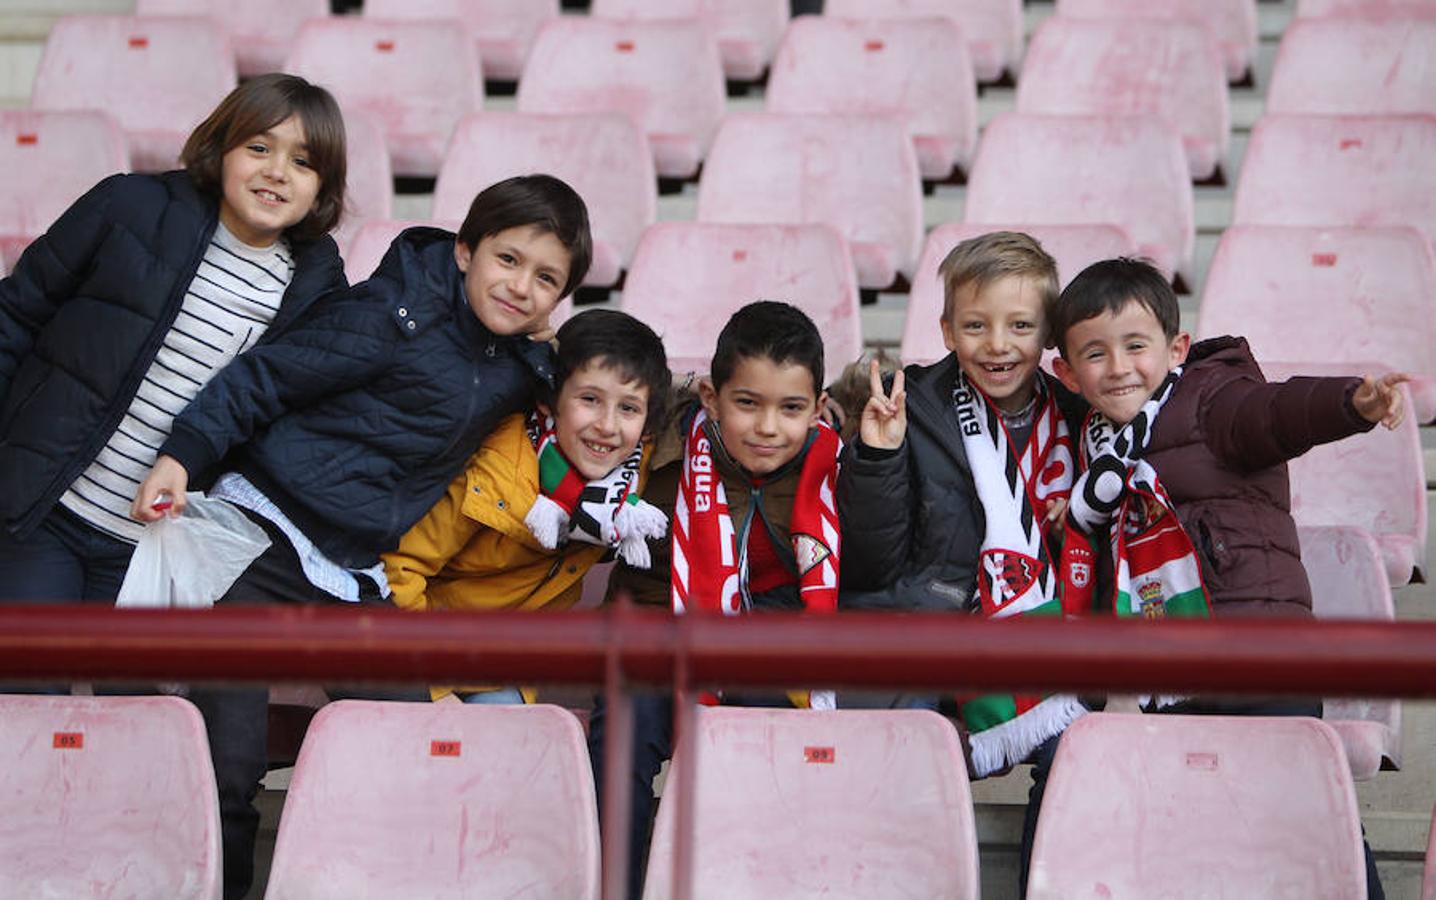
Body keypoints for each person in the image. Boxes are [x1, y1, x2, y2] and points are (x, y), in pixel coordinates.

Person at [131, 173, 592, 899]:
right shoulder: (387, 314)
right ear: (465, 250)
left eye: (546, 279)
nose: (521, 287)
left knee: (419, 742)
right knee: (229, 759)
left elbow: (596, 391)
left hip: (353, 572)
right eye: (508, 259)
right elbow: (262, 382)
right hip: (264, 540)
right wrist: (182, 455)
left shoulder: (517, 366)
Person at [1047, 256, 1405, 899]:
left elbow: (1275, 413)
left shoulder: (1210, 403)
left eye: (1136, 346)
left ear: (1175, 348)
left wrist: (1351, 401)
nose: (1120, 367)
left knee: (1299, 815)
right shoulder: (1090, 452)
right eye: (1095, 354)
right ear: (1068, 374)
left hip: (1259, 653)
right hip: (1165, 671)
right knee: (1187, 832)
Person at [0, 73, 347, 613]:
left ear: (322, 187)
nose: (277, 172)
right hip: (41, 510)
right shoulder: (129, 204)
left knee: (132, 700)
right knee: (26, 684)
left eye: (303, 162)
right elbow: (16, 315)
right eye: (259, 148)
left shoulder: (315, 289)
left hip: (152, 548)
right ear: (221, 148)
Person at [589, 300, 843, 899]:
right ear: (710, 397)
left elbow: (877, 557)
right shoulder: (656, 446)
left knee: (773, 734)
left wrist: (881, 460)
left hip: (771, 638)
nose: (767, 428)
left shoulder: (838, 461)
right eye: (747, 403)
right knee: (621, 736)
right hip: (659, 624)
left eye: (791, 409)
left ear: (819, 407)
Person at [383, 309, 671, 704]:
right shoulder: (495, 472)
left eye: (628, 408)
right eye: (589, 399)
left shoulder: (627, 479)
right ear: (550, 401)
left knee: (511, 747)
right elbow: (399, 571)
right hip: (425, 654)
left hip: (507, 669)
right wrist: (429, 688)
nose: (608, 425)